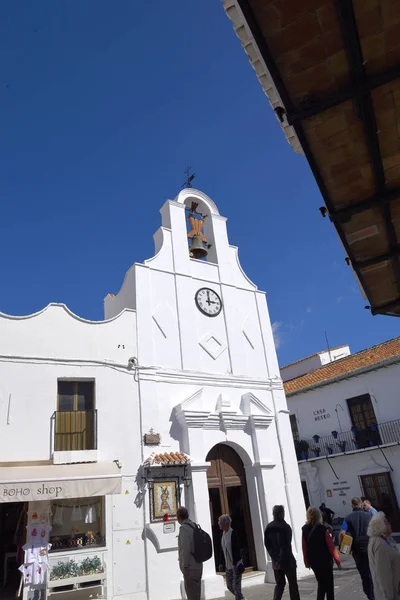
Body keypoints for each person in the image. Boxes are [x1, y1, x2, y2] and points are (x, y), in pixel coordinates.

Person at [302, 506, 341, 600]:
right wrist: (337, 561)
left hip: (314, 562)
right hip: (325, 561)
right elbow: (331, 547)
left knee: (321, 583)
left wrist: (306, 562)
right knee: (329, 586)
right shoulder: (323, 529)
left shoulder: (305, 530)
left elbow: (304, 548)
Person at [339, 497, 373, 600]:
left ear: (352, 505)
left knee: (364, 574)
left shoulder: (348, 517)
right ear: (361, 504)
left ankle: (369, 594)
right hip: (370, 547)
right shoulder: (369, 515)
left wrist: (343, 547)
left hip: (357, 549)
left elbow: (342, 533)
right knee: (373, 571)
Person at [264, 505, 300, 600]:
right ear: (282, 513)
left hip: (276, 562)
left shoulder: (268, 527)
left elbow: (267, 545)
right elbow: (286, 545)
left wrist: (275, 559)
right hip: (287, 560)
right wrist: (279, 559)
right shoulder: (286, 527)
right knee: (293, 585)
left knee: (279, 584)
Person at [367, 511, 400, 600]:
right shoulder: (380, 544)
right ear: (380, 526)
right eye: (387, 523)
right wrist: (389, 596)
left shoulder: (386, 540)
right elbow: (383, 574)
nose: (390, 524)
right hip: (391, 593)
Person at [177, 506, 203, 600]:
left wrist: (185, 566)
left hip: (190, 567)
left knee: (191, 595)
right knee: (197, 593)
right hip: (198, 564)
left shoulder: (183, 528)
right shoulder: (194, 525)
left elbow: (185, 548)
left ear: (179, 517)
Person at [218, 514, 245, 600]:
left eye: (221, 523)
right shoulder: (222, 534)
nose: (219, 524)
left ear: (226, 523)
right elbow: (222, 550)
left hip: (235, 564)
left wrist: (236, 563)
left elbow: (236, 549)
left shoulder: (232, 533)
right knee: (229, 585)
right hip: (228, 565)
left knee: (236, 587)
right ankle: (241, 598)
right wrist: (221, 563)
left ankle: (239, 597)